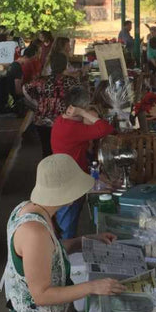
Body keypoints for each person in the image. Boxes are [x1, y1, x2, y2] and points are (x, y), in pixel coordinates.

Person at [5, 154, 125, 312]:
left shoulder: (30, 210)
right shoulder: (34, 231)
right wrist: (93, 286)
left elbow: (51, 253)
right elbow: (42, 294)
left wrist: (85, 240)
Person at [51, 87, 114, 239]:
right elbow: (106, 128)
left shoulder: (61, 121)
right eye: (87, 107)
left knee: (67, 226)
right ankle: (64, 258)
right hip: (68, 185)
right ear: (78, 109)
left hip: (67, 178)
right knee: (66, 231)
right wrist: (84, 113)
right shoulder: (73, 129)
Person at [23, 53, 79, 158]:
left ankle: (47, 171)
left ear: (51, 65)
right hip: (62, 122)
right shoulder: (71, 81)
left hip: (42, 121)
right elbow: (79, 97)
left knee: (46, 150)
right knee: (62, 151)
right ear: (65, 65)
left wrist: (36, 102)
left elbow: (25, 88)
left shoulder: (41, 80)